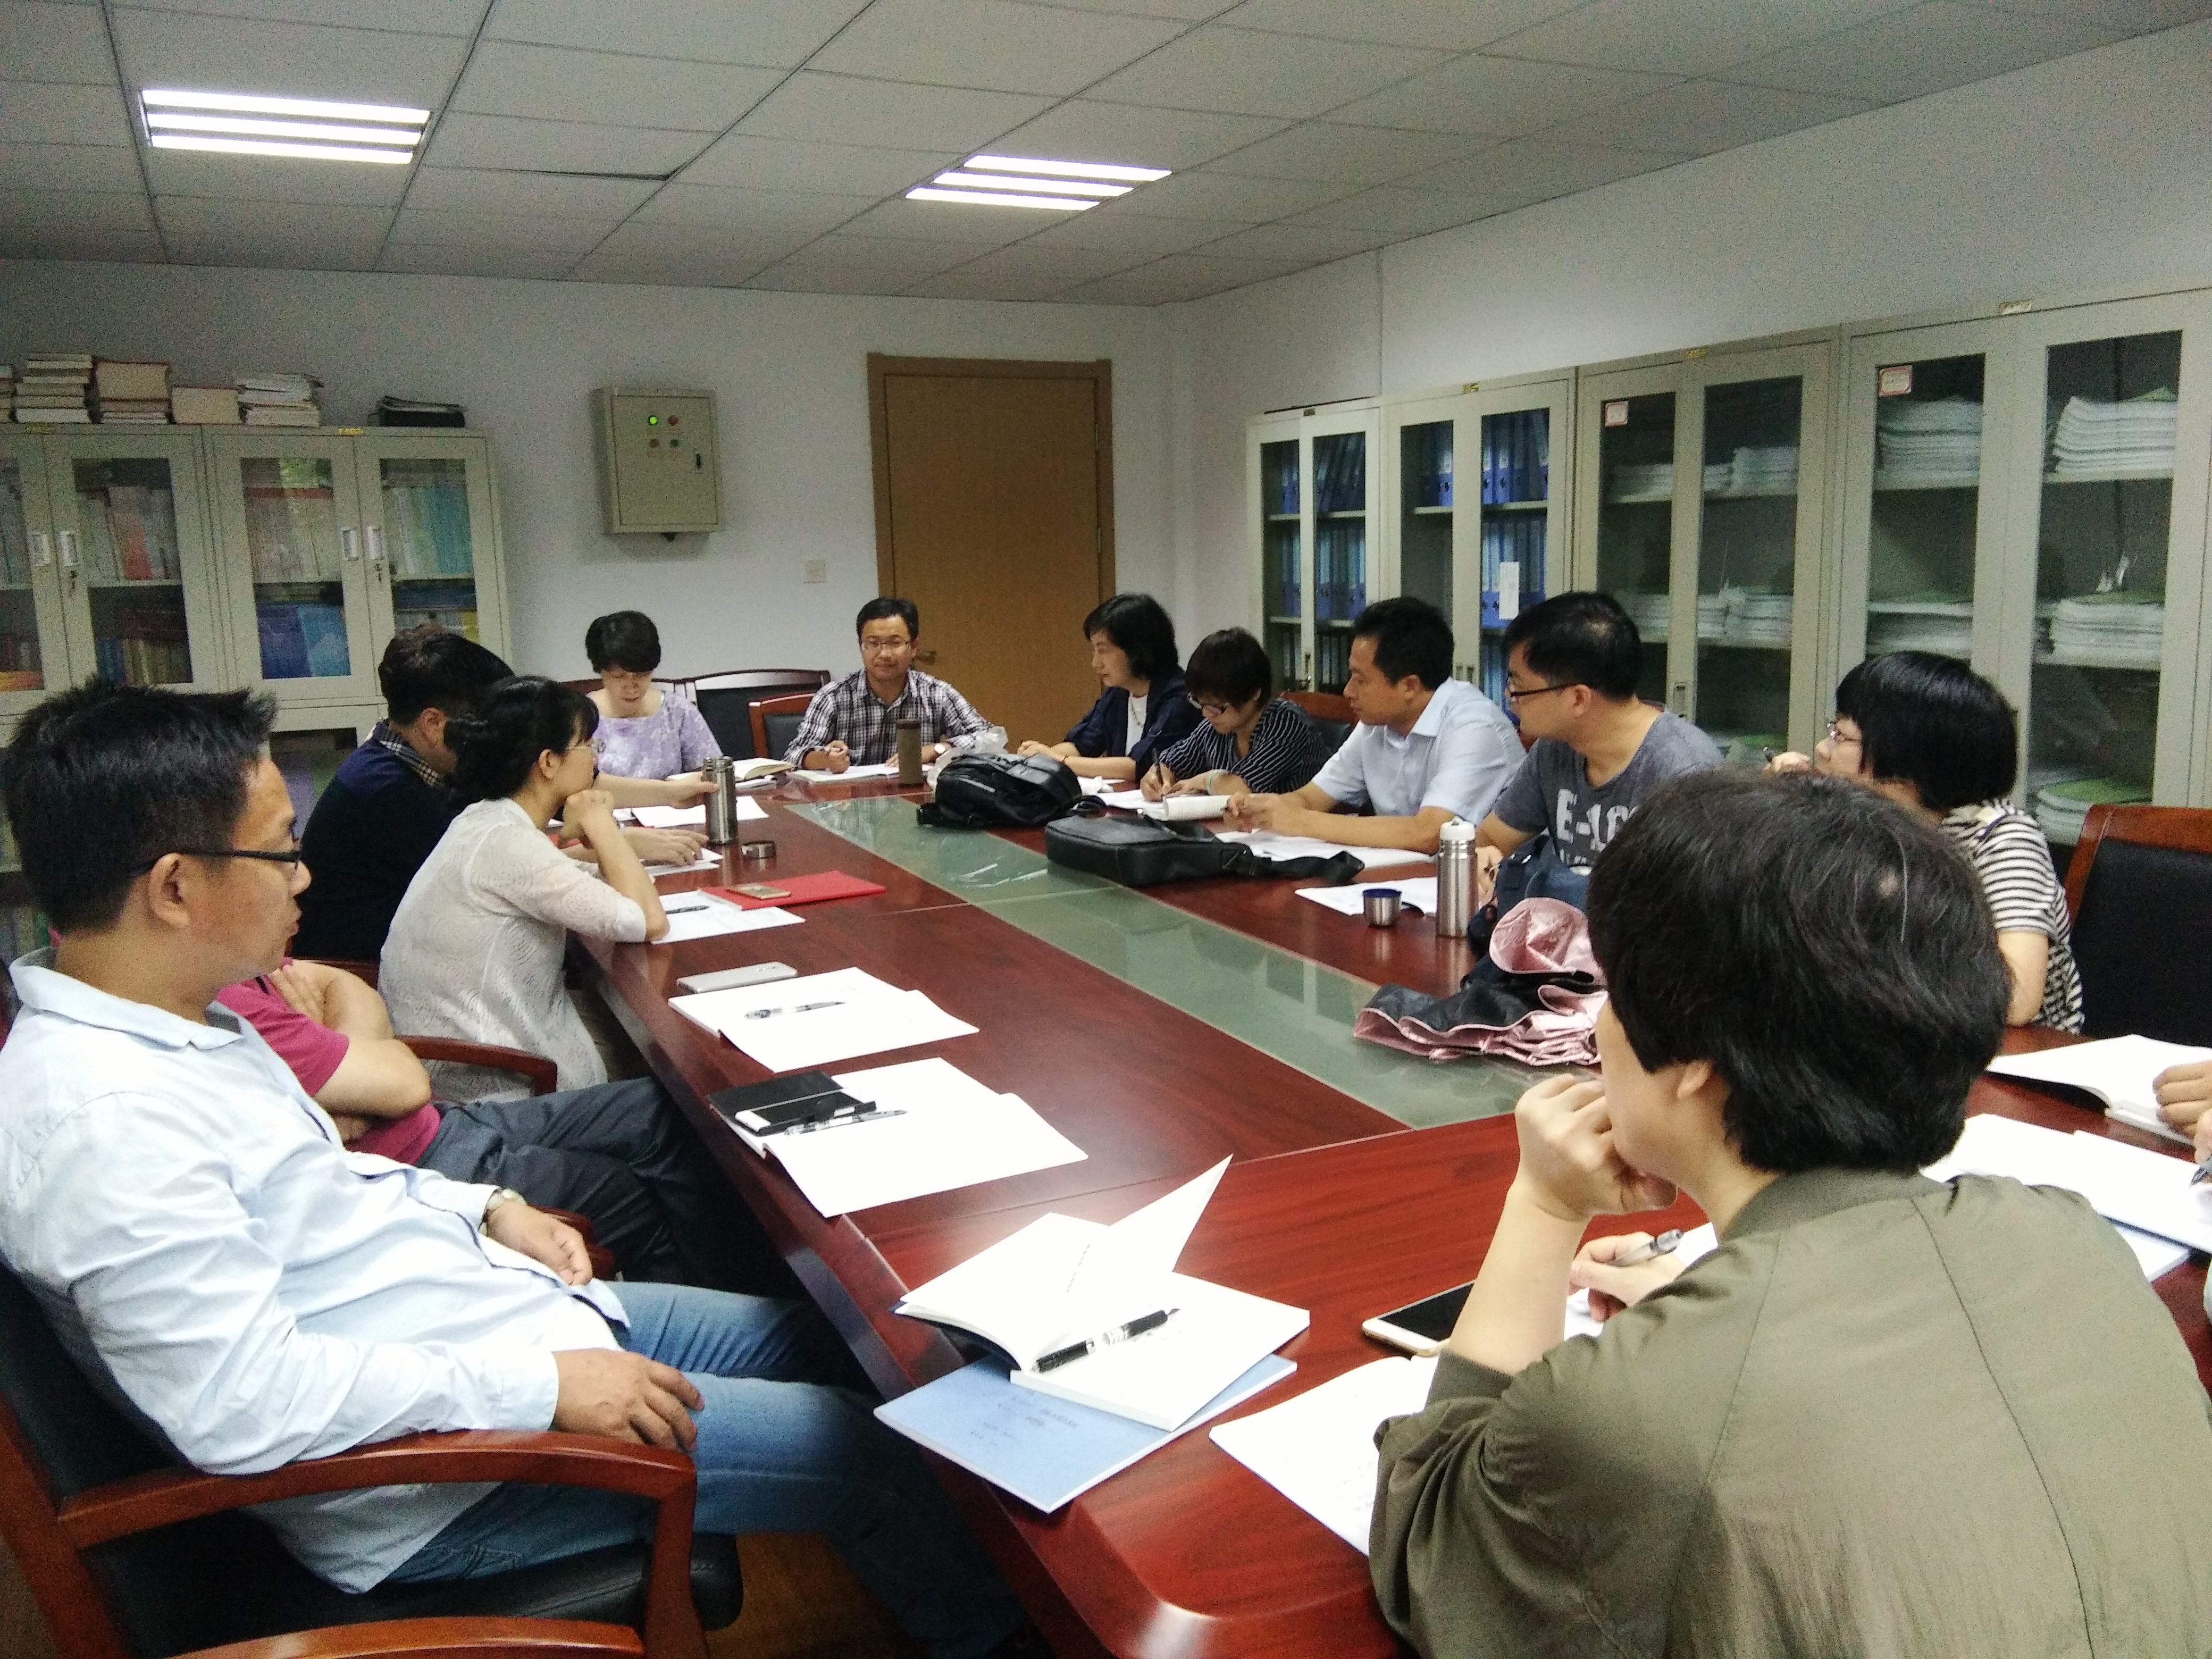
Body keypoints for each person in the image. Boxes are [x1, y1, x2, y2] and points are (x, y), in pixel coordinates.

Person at [0, 682, 1029, 1658]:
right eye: (279, 852)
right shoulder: (105, 1122)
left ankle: (944, 1575)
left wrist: (488, 1206)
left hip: (492, 1318)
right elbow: (245, 1405)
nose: (303, 877)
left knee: (846, 1343)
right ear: (175, 886)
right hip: (441, 1477)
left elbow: (336, 1188)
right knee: (868, 1451)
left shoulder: (186, 1021)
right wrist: (543, 1386)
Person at [1369, 769, 2212, 1657]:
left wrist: (1544, 1205)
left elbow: (1431, 1535)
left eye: (1612, 992)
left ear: (1694, 1057)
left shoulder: (1642, 1408)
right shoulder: (2077, 1241)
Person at [218, 958, 770, 1291]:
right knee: (645, 1194)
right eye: (283, 855)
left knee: (662, 1106)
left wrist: (346, 1059)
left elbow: (352, 988)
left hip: (441, 1121)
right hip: (427, 1168)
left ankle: (737, 1294)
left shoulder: (240, 961)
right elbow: (404, 1084)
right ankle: (718, 1334)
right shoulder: (225, 1005)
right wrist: (363, 1064)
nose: (302, 876)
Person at [294, 626, 707, 963]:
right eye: (482, 723)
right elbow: (514, 868)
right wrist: (614, 842)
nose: (493, 736)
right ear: (434, 724)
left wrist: (666, 798)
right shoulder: (388, 792)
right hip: (366, 972)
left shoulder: (421, 765)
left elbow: (529, 840)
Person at [381, 676, 668, 1100]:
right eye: (588, 744)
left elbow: (584, 881)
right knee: (665, 1069)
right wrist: (601, 823)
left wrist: (604, 845)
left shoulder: (487, 819)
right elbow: (647, 920)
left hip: (473, 1037)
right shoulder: (507, 842)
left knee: (640, 1033)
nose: (596, 757)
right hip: (495, 1073)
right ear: (548, 762)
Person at [1774, 651, 2083, 1031]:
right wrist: (1780, 816)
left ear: (1905, 756)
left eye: (1841, 736)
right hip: (1894, 1031)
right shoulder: (1865, 821)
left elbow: (2015, 1000)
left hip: (2009, 1053)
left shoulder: (2001, 840)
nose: (1822, 750)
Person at [1224, 596, 1519, 856]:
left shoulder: (1474, 726)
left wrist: (1299, 821)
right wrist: (1259, 809)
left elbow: (1430, 833)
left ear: (1409, 686)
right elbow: (1311, 798)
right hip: (1408, 878)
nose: (1348, 691)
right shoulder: (1377, 724)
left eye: (1360, 679)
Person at [1474, 591, 1721, 891]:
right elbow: (1492, 838)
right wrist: (1483, 858)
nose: (1508, 696)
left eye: (1518, 687)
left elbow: (1699, 902)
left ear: (1578, 699)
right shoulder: (1555, 749)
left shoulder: (1684, 771)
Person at [787, 597, 992, 772]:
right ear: (861, 647)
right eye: (873, 643)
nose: (884, 654)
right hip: (852, 802)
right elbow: (794, 754)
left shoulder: (936, 693)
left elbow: (990, 739)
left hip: (915, 800)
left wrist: (935, 750)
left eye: (895, 643)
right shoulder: (833, 697)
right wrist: (826, 759)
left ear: (914, 647)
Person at [1019, 592, 1200, 783]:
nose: (1095, 663)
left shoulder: (1180, 696)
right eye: (1094, 651)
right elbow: (1081, 745)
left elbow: (1139, 766)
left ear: (1138, 649)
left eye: (1103, 650)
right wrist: (1033, 758)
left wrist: (1057, 760)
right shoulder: (1118, 693)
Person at [1140, 625, 1334, 801]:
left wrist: (1206, 780)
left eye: (1217, 707)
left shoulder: (1286, 723)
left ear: (1254, 693)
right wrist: (1157, 777)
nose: (1207, 714)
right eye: (1201, 703)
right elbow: (1173, 761)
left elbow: (1243, 789)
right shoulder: (1217, 726)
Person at [584, 609, 722, 782]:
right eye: (619, 677)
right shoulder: (582, 717)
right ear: (600, 671)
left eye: (642, 675)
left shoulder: (677, 712)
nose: (632, 686)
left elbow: (711, 776)